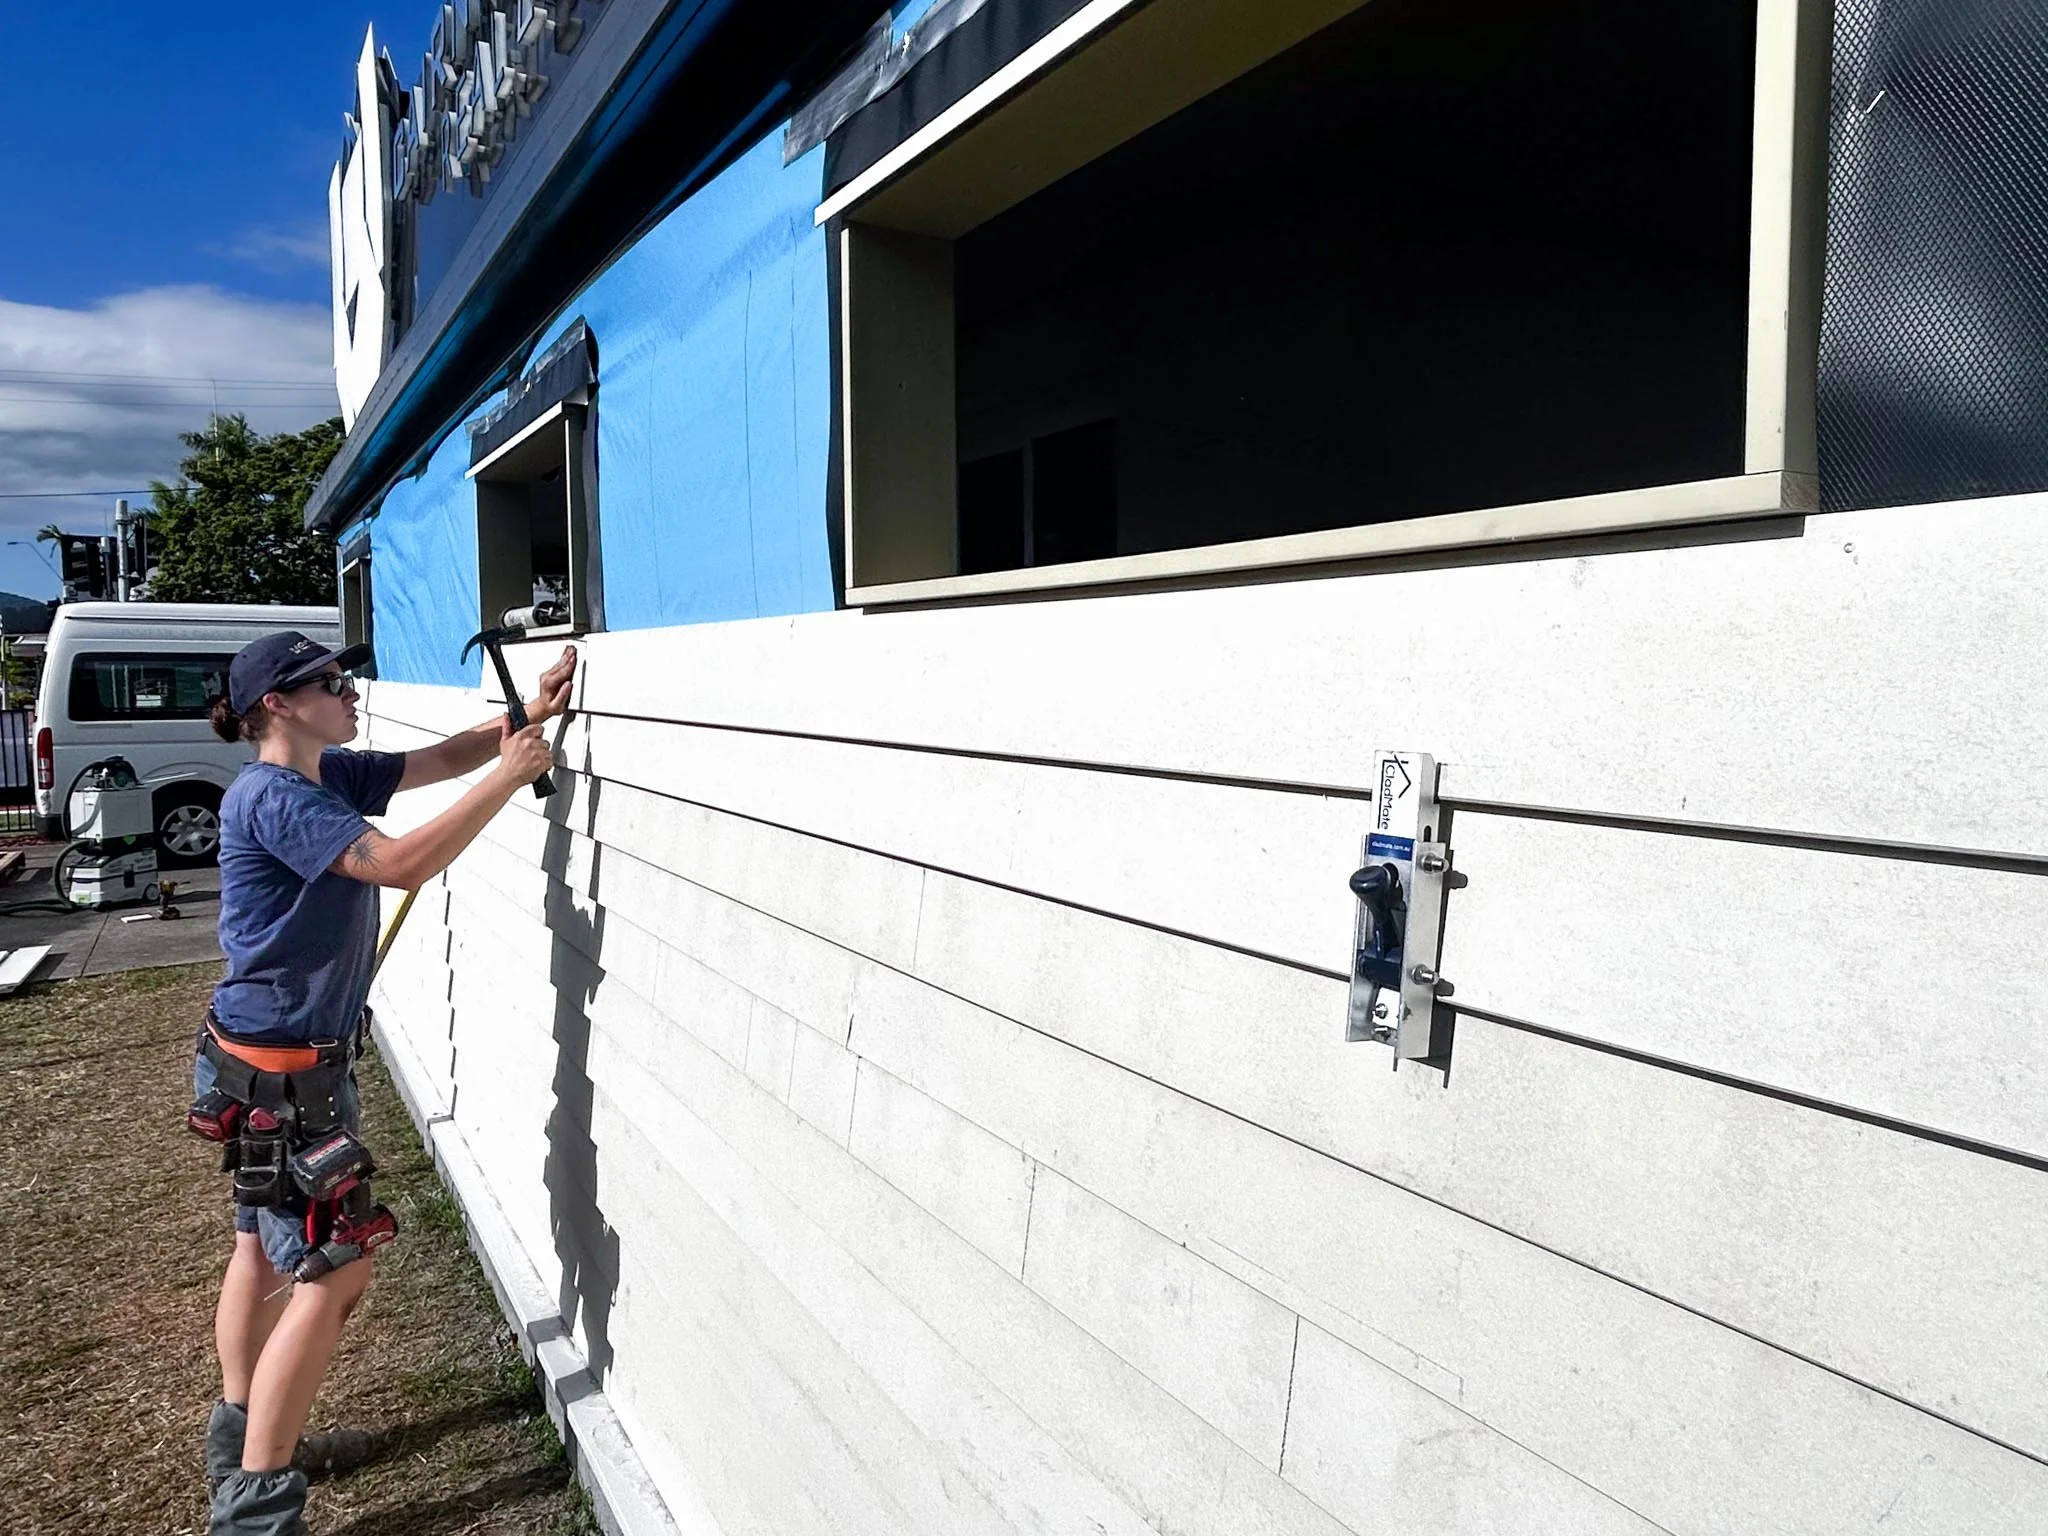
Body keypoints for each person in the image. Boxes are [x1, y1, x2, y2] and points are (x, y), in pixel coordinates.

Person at [195, 630, 575, 1536]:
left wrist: (522, 719)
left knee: (259, 1245)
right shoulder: (277, 797)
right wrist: (511, 773)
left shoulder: (329, 774)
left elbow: (438, 758)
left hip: (262, 1057)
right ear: (278, 705)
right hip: (283, 1078)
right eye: (327, 680)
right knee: (336, 1265)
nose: (348, 686)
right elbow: (397, 864)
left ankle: (247, 1440)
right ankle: (255, 1510)